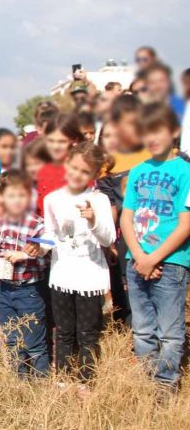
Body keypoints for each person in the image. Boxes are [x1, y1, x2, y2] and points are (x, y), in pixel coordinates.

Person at [120, 103, 190, 391]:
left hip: (171, 262)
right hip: (136, 260)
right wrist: (139, 255)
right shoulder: (137, 171)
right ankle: (146, 384)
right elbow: (126, 218)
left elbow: (185, 224)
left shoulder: (185, 171)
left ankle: (165, 385)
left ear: (173, 131)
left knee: (170, 332)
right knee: (142, 329)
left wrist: (155, 258)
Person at [37, 142, 116, 389]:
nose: (77, 174)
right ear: (66, 164)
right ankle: (62, 379)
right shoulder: (52, 199)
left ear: (93, 175)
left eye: (85, 171)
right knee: (63, 330)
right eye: (74, 167)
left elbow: (109, 238)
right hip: (61, 275)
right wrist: (38, 247)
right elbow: (50, 234)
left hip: (90, 277)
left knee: (88, 333)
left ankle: (86, 382)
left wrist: (93, 220)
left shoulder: (99, 200)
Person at [0, 170, 49, 378]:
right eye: (12, 196)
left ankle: (41, 382)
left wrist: (26, 253)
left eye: (22, 195)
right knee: (12, 338)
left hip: (28, 290)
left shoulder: (36, 223)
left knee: (34, 340)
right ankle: (19, 382)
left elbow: (50, 244)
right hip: (4, 288)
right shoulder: (2, 222)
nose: (17, 201)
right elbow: (0, 248)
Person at [97, 94, 149, 323]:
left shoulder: (160, 153)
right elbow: (110, 205)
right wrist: (109, 244)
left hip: (162, 235)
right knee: (130, 292)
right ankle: (135, 340)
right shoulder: (110, 163)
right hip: (127, 237)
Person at [35, 113, 84, 215]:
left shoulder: (84, 167)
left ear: (74, 140)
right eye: (51, 141)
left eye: (61, 142)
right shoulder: (39, 168)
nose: (55, 147)